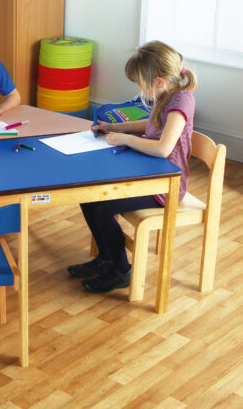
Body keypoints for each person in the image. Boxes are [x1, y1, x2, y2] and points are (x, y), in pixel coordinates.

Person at [68, 40, 197, 293]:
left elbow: (163, 148)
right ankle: (106, 259)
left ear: (158, 81)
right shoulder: (165, 95)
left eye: (140, 83)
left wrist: (125, 139)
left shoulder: (181, 102)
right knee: (88, 197)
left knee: (103, 208)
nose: (139, 88)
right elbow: (149, 125)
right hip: (148, 174)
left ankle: (120, 270)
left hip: (165, 186)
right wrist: (113, 127)